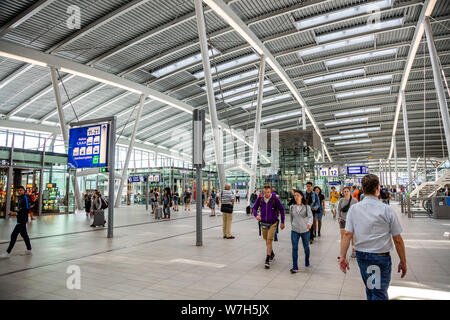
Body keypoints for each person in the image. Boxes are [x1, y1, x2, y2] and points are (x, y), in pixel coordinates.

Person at [340, 174, 407, 300]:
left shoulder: (354, 209)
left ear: (362, 189)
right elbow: (397, 239)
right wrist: (403, 261)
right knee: (378, 292)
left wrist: (342, 256)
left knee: (371, 289)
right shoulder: (387, 210)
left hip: (362, 256)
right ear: (378, 188)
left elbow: (347, 234)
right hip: (381, 256)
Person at [252, 185, 285, 269]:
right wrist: (256, 216)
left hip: (273, 223)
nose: (266, 194)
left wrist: (282, 222)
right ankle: (272, 253)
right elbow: (254, 208)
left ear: (270, 192)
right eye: (265, 192)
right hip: (263, 223)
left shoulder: (275, 199)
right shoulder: (260, 199)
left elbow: (282, 209)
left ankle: (267, 259)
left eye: (268, 192)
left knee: (269, 240)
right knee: (266, 240)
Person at [0, 186, 32, 258]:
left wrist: (16, 213)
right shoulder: (20, 198)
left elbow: (26, 209)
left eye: (21, 190)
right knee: (24, 235)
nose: (19, 192)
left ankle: (7, 253)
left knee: (13, 235)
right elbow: (20, 209)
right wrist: (14, 212)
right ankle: (29, 249)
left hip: (22, 220)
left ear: (24, 190)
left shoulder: (25, 198)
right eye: (18, 191)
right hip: (19, 219)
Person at [289, 189, 313, 273]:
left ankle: (307, 260)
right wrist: (293, 226)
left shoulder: (307, 207)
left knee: (306, 247)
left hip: (305, 230)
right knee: (294, 248)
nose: (296, 197)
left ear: (301, 196)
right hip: (295, 230)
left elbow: (310, 217)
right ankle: (295, 266)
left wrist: (309, 224)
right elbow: (291, 218)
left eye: (298, 195)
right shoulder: (292, 207)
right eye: (295, 196)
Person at [337, 187, 358, 260]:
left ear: (350, 192)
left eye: (347, 191)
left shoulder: (354, 200)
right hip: (343, 220)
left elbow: (357, 211)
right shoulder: (341, 200)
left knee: (352, 237)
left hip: (352, 221)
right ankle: (342, 253)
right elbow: (339, 210)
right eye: (345, 191)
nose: (346, 193)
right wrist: (338, 218)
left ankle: (353, 251)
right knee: (343, 237)